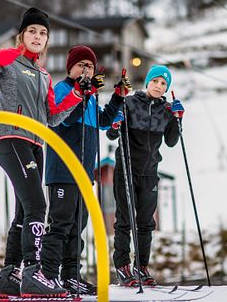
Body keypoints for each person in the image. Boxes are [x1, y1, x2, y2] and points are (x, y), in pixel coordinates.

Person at [0, 7, 89, 297]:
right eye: (32, 31)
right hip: (11, 138)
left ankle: (10, 276)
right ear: (22, 35)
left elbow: (53, 116)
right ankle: (35, 272)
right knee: (37, 206)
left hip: (35, 143)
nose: (37, 36)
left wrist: (77, 94)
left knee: (23, 212)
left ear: (46, 41)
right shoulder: (8, 58)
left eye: (42, 33)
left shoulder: (44, 75)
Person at [40, 45, 131, 295]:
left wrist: (118, 97)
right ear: (70, 68)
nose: (85, 69)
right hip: (62, 170)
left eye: (89, 66)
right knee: (60, 224)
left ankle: (71, 276)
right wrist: (82, 93)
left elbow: (103, 121)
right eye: (81, 65)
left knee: (77, 226)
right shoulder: (63, 89)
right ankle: (47, 275)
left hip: (83, 173)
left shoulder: (89, 96)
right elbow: (64, 118)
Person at [106, 65, 183, 287]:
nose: (159, 86)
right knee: (125, 219)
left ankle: (141, 266)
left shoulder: (166, 110)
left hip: (150, 171)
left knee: (146, 222)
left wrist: (178, 119)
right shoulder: (129, 102)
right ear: (147, 81)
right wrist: (116, 123)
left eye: (164, 84)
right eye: (156, 81)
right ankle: (122, 266)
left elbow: (171, 141)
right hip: (127, 167)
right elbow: (112, 134)